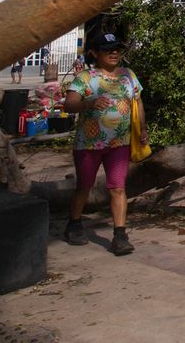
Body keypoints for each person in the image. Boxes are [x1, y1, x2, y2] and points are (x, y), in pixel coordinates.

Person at [62, 32, 146, 256]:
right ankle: (74, 223)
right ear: (94, 53)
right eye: (108, 50)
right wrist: (88, 103)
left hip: (120, 143)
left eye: (117, 49)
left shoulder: (128, 75)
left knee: (118, 188)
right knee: (84, 187)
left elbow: (138, 101)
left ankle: (120, 235)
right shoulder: (85, 78)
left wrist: (142, 130)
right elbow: (69, 104)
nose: (114, 53)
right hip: (89, 145)